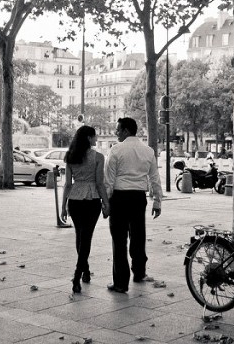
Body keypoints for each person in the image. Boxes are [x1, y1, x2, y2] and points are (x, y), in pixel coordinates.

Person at [104, 117, 163, 293]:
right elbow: (154, 178)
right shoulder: (148, 151)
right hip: (139, 197)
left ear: (126, 131)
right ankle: (139, 272)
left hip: (120, 198)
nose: (116, 133)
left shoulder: (115, 150)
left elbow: (109, 180)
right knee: (138, 235)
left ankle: (121, 283)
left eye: (118, 130)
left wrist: (106, 203)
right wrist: (157, 201)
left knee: (119, 240)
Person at [61, 125, 109, 294]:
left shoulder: (70, 156)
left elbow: (67, 184)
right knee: (87, 237)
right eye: (95, 136)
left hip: (74, 199)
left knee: (79, 236)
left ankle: (85, 271)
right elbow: (99, 183)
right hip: (92, 199)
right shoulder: (98, 157)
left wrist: (63, 207)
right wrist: (106, 203)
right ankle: (77, 275)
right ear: (89, 138)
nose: (96, 139)